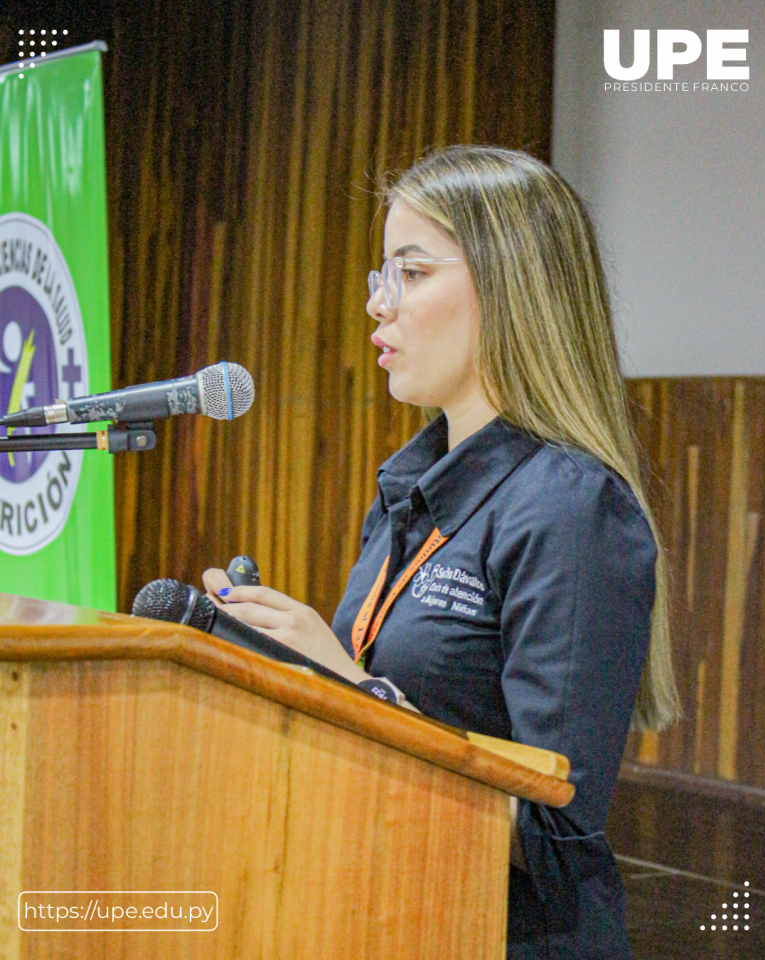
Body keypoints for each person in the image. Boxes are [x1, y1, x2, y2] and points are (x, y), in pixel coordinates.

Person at [202, 145, 679, 958]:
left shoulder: (572, 507)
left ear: (510, 287)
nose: (379, 306)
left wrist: (350, 687)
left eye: (413, 274)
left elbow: (551, 831)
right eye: (380, 277)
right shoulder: (408, 493)